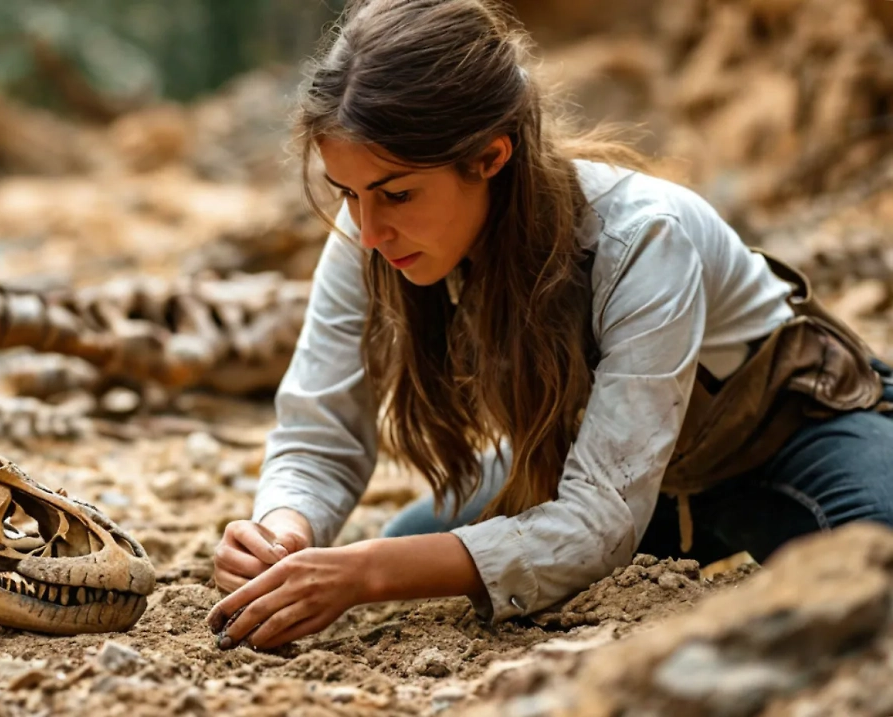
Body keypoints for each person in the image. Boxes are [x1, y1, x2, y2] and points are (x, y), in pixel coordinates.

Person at [206, 0, 893, 651]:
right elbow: (319, 436)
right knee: (413, 536)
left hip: (779, 445)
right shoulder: (369, 236)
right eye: (348, 193)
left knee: (880, 573)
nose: (370, 228)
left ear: (489, 157)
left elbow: (598, 523)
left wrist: (366, 571)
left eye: (397, 193)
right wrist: (282, 531)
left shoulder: (644, 235)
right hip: (599, 469)